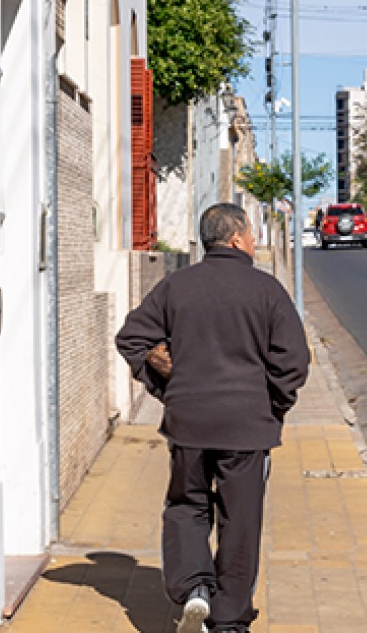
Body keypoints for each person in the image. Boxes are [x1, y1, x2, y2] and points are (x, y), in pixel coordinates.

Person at [115, 203, 310, 633]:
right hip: (247, 428)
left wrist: (167, 386)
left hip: (188, 423)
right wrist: (273, 405)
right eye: (252, 234)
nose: (255, 241)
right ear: (239, 237)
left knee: (187, 506)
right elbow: (293, 361)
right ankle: (229, 621)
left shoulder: (176, 286)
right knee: (240, 518)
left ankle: (193, 590)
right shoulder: (266, 290)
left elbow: (131, 338)